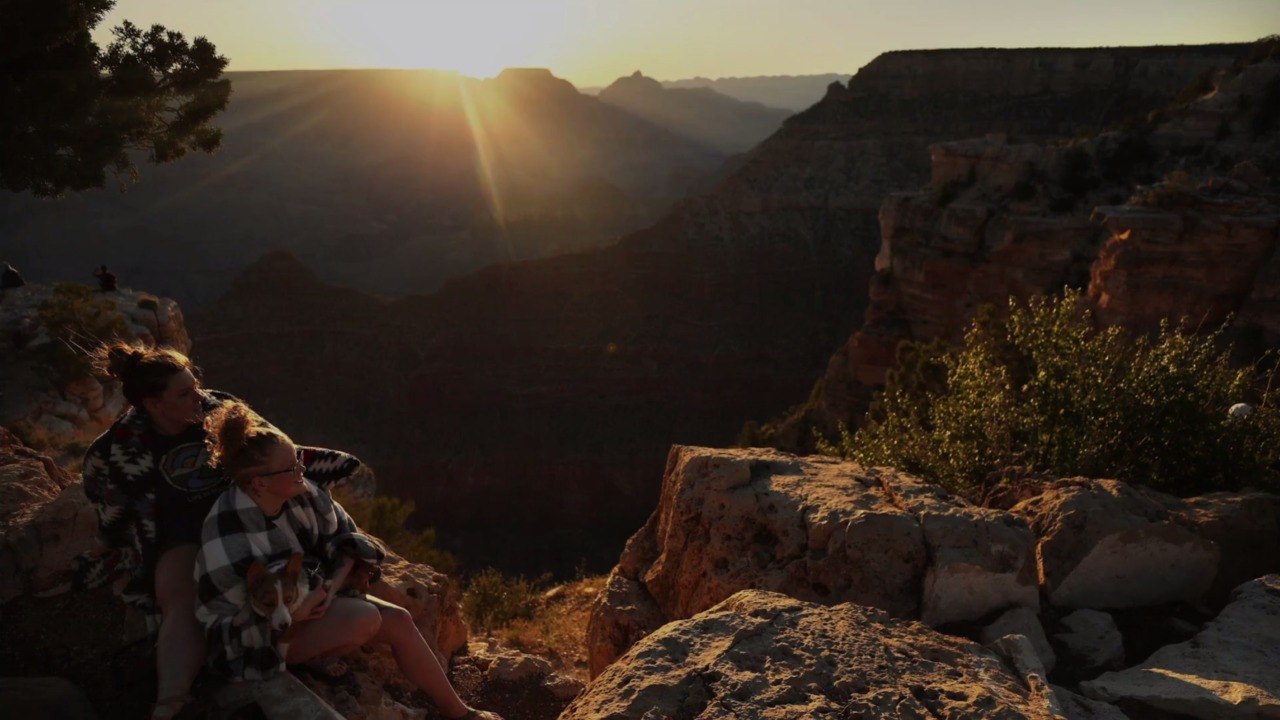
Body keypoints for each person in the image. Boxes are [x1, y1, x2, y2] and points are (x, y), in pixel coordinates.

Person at [76, 342, 363, 720]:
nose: (199, 397)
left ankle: (291, 651)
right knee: (180, 600)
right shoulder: (118, 448)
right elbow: (112, 508)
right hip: (184, 539)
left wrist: (320, 469)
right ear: (152, 403)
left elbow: (272, 450)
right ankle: (172, 703)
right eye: (184, 393)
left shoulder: (220, 408)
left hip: (248, 522)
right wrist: (106, 545)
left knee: (321, 569)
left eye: (196, 385)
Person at [195, 402, 501, 720]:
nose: (302, 468)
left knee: (399, 620)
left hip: (312, 599)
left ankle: (460, 712)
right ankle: (310, 662)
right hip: (255, 640)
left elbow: (349, 544)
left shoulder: (306, 496)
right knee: (363, 617)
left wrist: (328, 588)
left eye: (298, 457)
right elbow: (233, 622)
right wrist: (298, 609)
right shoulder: (228, 528)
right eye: (291, 466)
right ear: (259, 483)